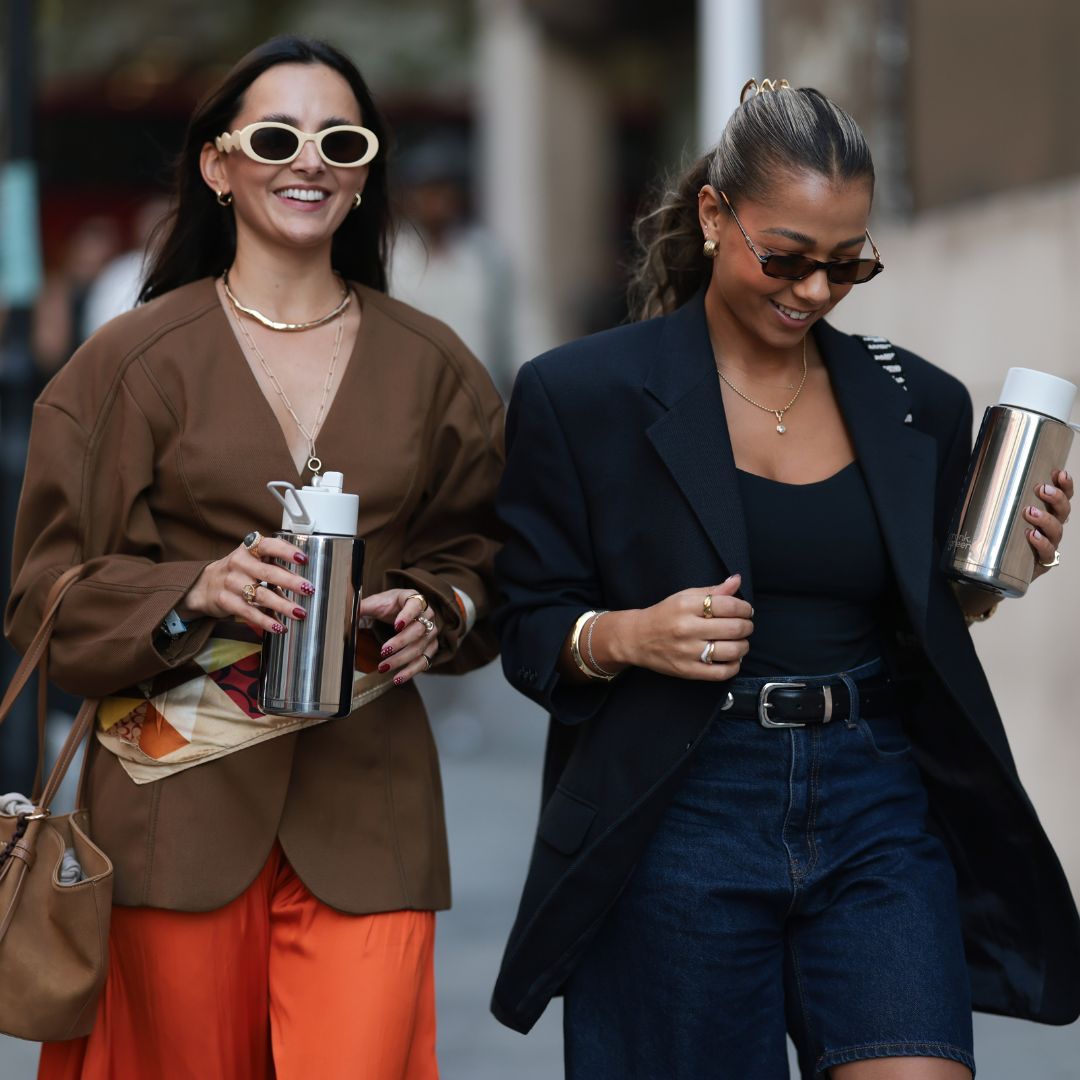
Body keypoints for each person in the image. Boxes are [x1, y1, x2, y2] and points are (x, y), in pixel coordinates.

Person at [491, 79, 1079, 1079]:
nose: (814, 291)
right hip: (683, 807)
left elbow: (926, 619)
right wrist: (630, 635)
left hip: (875, 801)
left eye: (848, 264)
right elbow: (526, 625)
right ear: (716, 216)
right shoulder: (580, 395)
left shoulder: (918, 403)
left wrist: (1000, 567)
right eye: (789, 259)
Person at [5, 35, 504, 1080]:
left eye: (341, 139)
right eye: (276, 137)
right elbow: (45, 600)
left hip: (368, 813)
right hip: (170, 815)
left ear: (368, 172)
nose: (308, 160)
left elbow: (490, 560)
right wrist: (192, 588)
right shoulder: (126, 366)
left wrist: (440, 608)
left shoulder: (436, 369)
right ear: (218, 165)